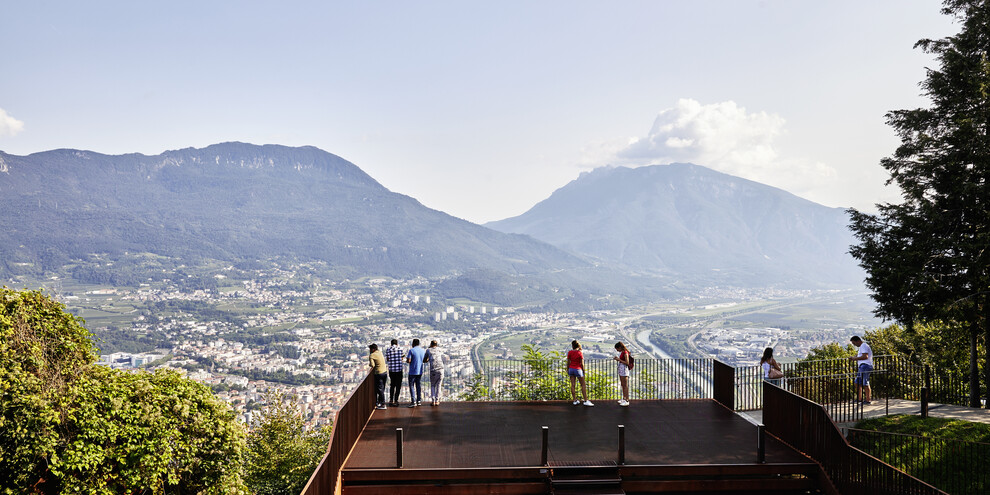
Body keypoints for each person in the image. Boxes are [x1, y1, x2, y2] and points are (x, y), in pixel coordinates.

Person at [567, 340, 593, 406]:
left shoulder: (570, 352)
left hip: (571, 369)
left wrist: (568, 369)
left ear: (572, 346)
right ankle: (586, 400)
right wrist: (583, 370)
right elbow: (582, 363)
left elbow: (568, 362)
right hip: (578, 369)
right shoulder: (579, 352)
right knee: (583, 385)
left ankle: (574, 400)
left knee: (573, 385)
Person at [848, 336, 873, 404]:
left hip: (865, 366)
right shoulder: (862, 347)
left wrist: (854, 359)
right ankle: (859, 399)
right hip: (862, 367)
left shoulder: (863, 346)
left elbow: (865, 356)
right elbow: (862, 355)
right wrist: (854, 357)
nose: (854, 345)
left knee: (865, 383)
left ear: (858, 341)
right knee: (857, 382)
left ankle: (868, 400)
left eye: (854, 343)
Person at [424, 340, 448, 406]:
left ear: (431, 344)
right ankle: (437, 401)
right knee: (439, 385)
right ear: (437, 345)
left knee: (432, 385)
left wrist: (429, 359)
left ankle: (433, 401)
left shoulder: (428, 350)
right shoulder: (440, 349)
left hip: (433, 370)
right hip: (441, 369)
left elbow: (425, 360)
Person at [405, 338, 426, 407]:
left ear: (413, 344)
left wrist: (406, 360)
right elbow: (424, 360)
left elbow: (409, 360)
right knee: (418, 385)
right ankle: (419, 400)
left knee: (411, 386)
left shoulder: (411, 350)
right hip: (419, 371)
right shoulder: (423, 351)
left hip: (412, 371)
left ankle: (413, 401)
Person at [384, 339, 405, 406]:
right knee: (398, 385)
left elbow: (387, 359)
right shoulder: (400, 349)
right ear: (397, 344)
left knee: (392, 385)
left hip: (392, 370)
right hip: (399, 369)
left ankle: (391, 400)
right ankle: (396, 400)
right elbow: (402, 358)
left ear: (391, 343)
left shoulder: (388, 349)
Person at [368, 343, 388, 410]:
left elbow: (372, 365)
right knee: (382, 388)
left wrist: (369, 364)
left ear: (372, 349)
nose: (369, 350)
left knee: (380, 389)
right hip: (385, 372)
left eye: (370, 349)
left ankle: (383, 404)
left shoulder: (372, 355)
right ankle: (380, 401)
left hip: (379, 373)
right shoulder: (380, 352)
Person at [613, 342, 631, 406]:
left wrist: (618, 359)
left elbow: (627, 362)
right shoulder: (623, 352)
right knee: (623, 385)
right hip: (621, 369)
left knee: (625, 385)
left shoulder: (625, 352)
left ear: (620, 347)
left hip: (624, 370)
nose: (617, 350)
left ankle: (627, 400)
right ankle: (624, 398)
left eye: (617, 349)